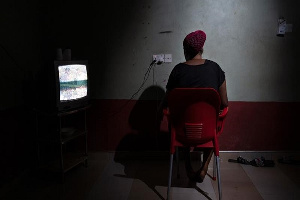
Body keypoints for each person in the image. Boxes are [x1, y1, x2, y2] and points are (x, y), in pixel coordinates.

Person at [165, 30, 228, 182]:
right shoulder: (215, 68)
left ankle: (187, 168)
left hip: (182, 133)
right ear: (201, 49)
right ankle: (204, 167)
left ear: (186, 50)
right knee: (215, 123)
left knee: (181, 117)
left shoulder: (178, 70)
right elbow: (224, 103)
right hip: (207, 132)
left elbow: (168, 100)